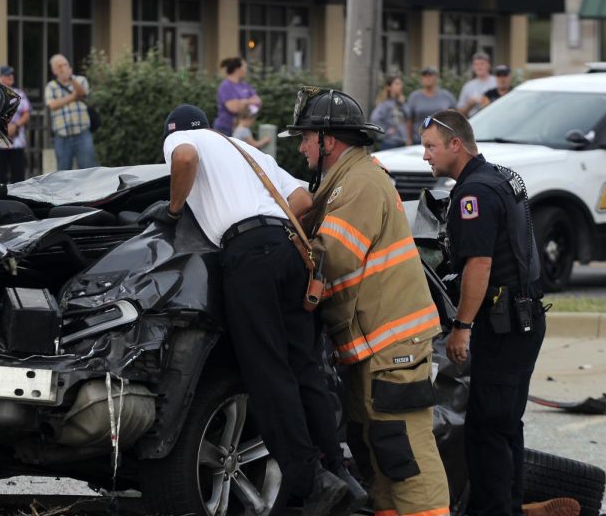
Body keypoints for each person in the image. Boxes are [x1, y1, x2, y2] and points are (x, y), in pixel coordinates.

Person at [140, 104, 367, 516]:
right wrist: (267, 222)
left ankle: (310, 484)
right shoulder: (247, 152)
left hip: (249, 259)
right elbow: (305, 199)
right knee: (304, 368)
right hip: (289, 254)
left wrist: (174, 210)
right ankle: (341, 469)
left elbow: (185, 159)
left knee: (267, 372)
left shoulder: (184, 139)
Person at [280, 87, 450, 516]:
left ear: (328, 140)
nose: (301, 147)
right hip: (371, 345)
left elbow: (328, 258)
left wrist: (281, 235)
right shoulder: (343, 183)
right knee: (375, 450)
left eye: (304, 137)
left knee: (403, 451)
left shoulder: (358, 185)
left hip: (391, 343)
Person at [419, 109, 553, 516]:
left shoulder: (472, 194)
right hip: (526, 318)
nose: (426, 155)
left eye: (431, 146)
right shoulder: (503, 175)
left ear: (455, 144)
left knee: (486, 430)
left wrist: (460, 328)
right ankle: (510, 506)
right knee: (506, 424)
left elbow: (479, 264)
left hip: (503, 324)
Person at [45, 53, 97, 170]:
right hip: (62, 136)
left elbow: (82, 93)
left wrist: (70, 79)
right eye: (59, 66)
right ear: (54, 71)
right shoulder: (50, 86)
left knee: (88, 170)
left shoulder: (80, 80)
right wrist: (73, 97)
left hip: (82, 134)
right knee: (63, 174)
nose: (63, 68)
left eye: (65, 64)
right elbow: (52, 105)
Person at [0, 65, 31, 184]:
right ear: (0, 77)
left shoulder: (19, 93)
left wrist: (16, 125)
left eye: (12, 74)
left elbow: (26, 113)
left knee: (18, 176)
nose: (11, 77)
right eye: (7, 75)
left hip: (16, 142)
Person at [405, 66, 456, 144]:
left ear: (436, 77)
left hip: (442, 140)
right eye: (424, 76)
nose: (427, 78)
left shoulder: (447, 96)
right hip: (419, 140)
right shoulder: (414, 97)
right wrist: (409, 139)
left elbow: (454, 118)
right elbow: (409, 120)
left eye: (430, 75)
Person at [214, 57, 261, 136]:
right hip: (225, 129)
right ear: (237, 69)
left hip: (240, 128)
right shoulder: (226, 86)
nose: (246, 70)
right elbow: (233, 108)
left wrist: (243, 103)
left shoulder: (245, 85)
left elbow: (258, 102)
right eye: (245, 67)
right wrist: (248, 102)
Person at [369, 74, 409, 149]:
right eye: (397, 84)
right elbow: (374, 119)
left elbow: (407, 118)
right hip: (390, 143)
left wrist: (402, 103)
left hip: (402, 142)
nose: (400, 86)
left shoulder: (402, 102)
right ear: (389, 87)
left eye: (400, 84)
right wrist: (385, 132)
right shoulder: (385, 104)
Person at [457, 52, 496, 117]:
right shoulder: (468, 86)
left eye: (482, 64)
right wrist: (469, 105)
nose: (479, 67)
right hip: (475, 123)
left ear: (489, 65)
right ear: (473, 67)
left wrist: (486, 102)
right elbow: (460, 112)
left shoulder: (496, 82)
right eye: (476, 64)